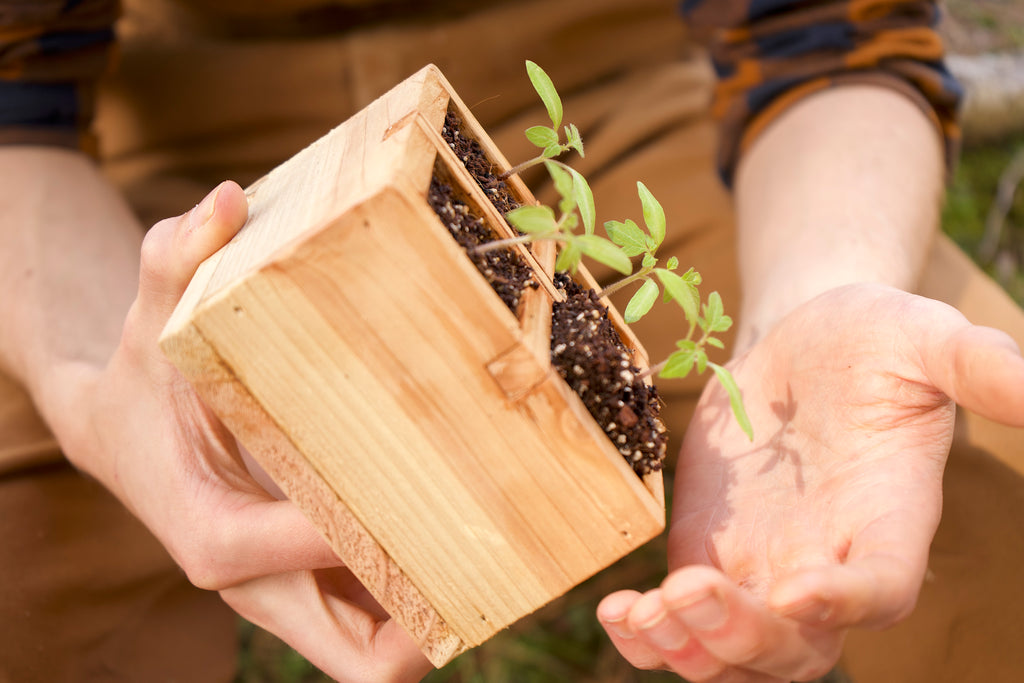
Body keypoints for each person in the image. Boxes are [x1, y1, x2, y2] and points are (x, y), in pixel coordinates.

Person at [1, 1, 1022, 682]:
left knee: (966, 464)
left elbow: (821, 36)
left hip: (603, 97)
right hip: (158, 167)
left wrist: (819, 289)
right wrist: (92, 384)